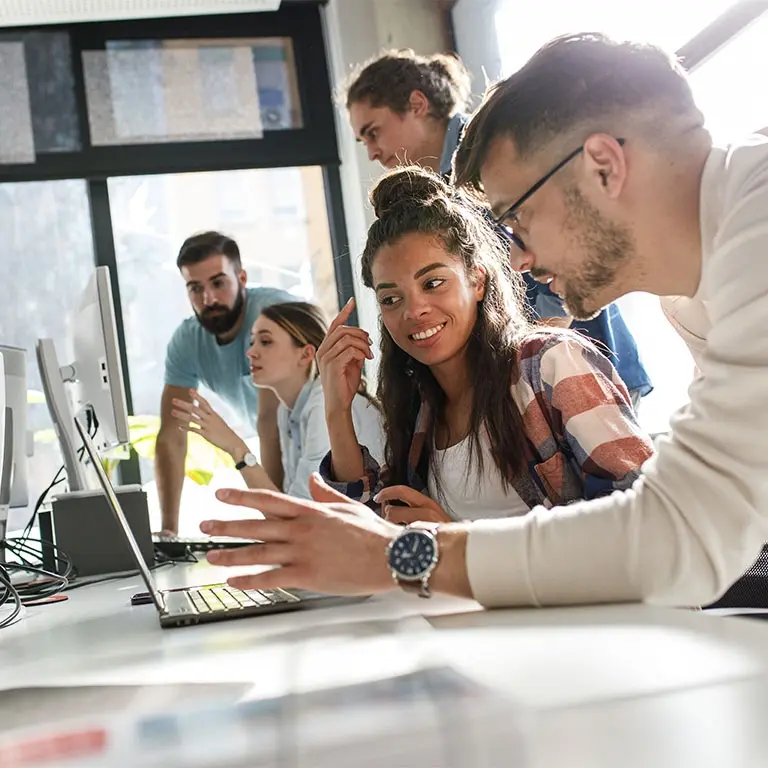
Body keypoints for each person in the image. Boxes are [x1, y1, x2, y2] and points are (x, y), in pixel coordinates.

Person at [197, 33, 768, 609]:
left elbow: (677, 532)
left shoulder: (757, 224)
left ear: (603, 166)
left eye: (519, 217)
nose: (517, 256)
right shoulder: (701, 288)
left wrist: (403, 555)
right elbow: (706, 522)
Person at [315, 168, 652, 524]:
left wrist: (456, 542)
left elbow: (642, 515)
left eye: (433, 283)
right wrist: (337, 410)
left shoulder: (550, 364)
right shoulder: (419, 409)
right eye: (390, 299)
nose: (414, 310)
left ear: (477, 280)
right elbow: (369, 531)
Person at [345, 48, 652, 410]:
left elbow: (561, 273)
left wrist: (523, 371)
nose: (372, 153)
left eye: (373, 132)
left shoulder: (492, 157)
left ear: (416, 104)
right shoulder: (442, 188)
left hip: (573, 368)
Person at [170, 301, 384, 500]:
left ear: (305, 354)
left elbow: (300, 515)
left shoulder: (322, 405)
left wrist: (236, 448)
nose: (251, 352)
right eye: (252, 342)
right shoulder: (286, 411)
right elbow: (292, 505)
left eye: (265, 341)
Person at [155, 231, 295, 533]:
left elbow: (269, 423)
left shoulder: (272, 316)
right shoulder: (187, 341)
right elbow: (172, 435)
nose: (208, 299)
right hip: (272, 455)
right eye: (195, 288)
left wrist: (278, 522)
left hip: (312, 445)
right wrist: (169, 532)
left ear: (242, 277)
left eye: (218, 283)